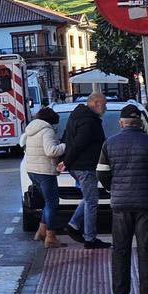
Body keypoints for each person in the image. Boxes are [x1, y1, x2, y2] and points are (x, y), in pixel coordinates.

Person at [97, 105, 148, 294]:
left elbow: (101, 173)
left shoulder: (110, 143)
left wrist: (112, 188)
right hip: (147, 203)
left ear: (121, 123)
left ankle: (120, 293)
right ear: (140, 123)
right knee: (147, 247)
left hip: (120, 204)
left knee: (120, 249)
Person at [62, 92, 110, 249]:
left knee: (88, 197)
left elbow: (66, 138)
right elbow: (79, 143)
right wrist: (65, 162)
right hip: (85, 166)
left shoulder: (77, 116)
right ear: (96, 103)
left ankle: (73, 225)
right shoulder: (89, 121)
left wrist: (65, 161)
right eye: (104, 104)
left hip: (79, 166)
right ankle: (90, 239)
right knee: (91, 201)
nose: (106, 108)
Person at [20, 107, 66, 248]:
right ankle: (51, 237)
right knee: (52, 203)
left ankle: (41, 231)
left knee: (48, 202)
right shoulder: (47, 130)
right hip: (45, 171)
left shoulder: (31, 129)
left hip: (32, 170)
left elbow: (22, 143)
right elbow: (51, 151)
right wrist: (66, 145)